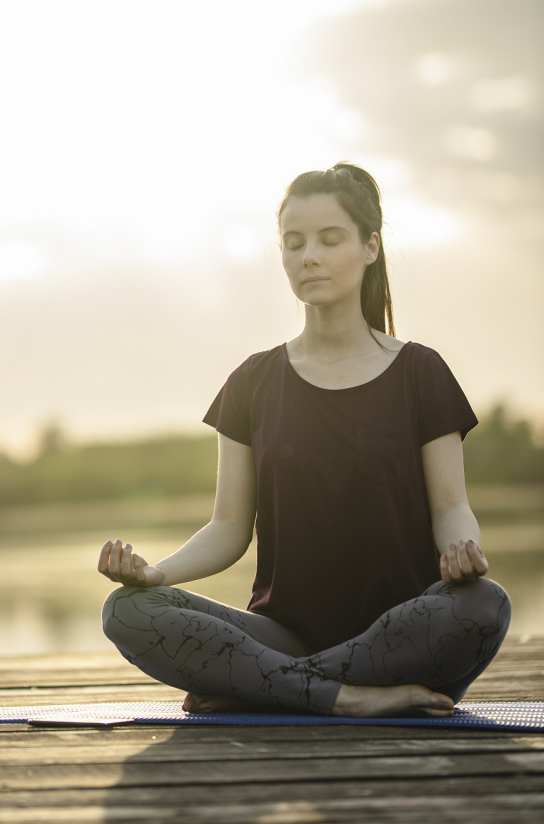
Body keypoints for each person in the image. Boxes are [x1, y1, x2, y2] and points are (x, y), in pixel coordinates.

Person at [99, 163, 510, 718]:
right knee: (126, 610)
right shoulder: (253, 380)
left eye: (328, 239)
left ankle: (267, 689)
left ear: (370, 247)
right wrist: (155, 574)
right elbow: (226, 527)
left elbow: (451, 506)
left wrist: (464, 553)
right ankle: (343, 698)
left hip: (400, 639)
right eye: (293, 244)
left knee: (484, 606)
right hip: (282, 634)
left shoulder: (420, 372)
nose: (307, 255)